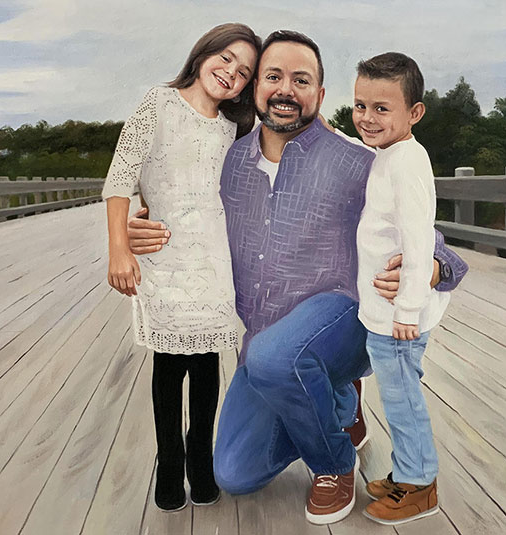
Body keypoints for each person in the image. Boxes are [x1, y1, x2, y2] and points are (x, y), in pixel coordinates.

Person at [126, 30, 467, 525]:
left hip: (344, 320)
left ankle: (334, 464)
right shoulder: (228, 162)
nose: (286, 89)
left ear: (320, 96)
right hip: (266, 343)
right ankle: (335, 402)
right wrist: (143, 227)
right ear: (255, 88)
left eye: (301, 80)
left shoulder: (358, 161)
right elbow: (178, 206)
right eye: (273, 77)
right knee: (235, 472)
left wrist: (435, 268)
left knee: (275, 356)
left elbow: (440, 250)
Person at [100, 23, 260, 512]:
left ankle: (200, 460)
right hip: (164, 256)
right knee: (170, 365)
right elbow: (120, 178)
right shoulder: (158, 104)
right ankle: (168, 462)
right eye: (226, 59)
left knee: (208, 362)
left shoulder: (235, 126)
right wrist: (119, 247)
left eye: (244, 73)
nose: (231, 74)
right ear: (204, 52)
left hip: (214, 258)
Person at [349, 52, 448, 525]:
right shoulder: (389, 153)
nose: (368, 118)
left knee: (402, 399)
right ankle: (407, 469)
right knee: (395, 396)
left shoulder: (410, 161)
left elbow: (419, 236)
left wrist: (408, 309)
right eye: (360, 105)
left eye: (381, 108)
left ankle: (420, 484)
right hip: (384, 313)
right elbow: (363, 145)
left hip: (398, 318)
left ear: (415, 113)